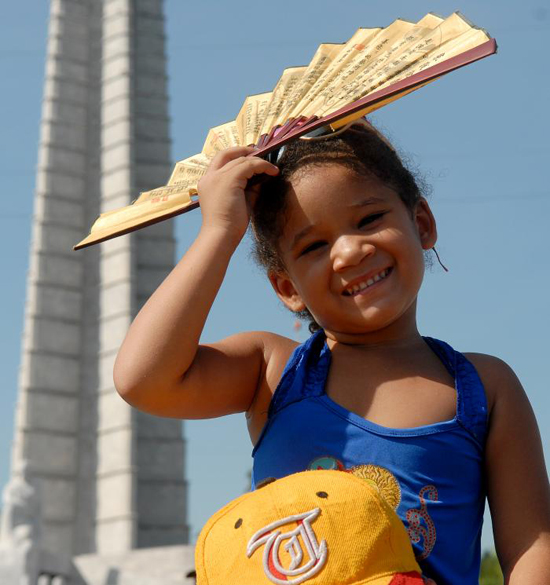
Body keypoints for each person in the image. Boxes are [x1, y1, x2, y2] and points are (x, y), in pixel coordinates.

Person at [113, 119, 550, 584]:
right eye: (315, 246)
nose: (348, 253)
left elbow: (533, 545)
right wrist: (219, 231)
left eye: (369, 220)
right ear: (287, 288)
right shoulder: (274, 372)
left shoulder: (483, 387)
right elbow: (143, 380)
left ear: (421, 223)